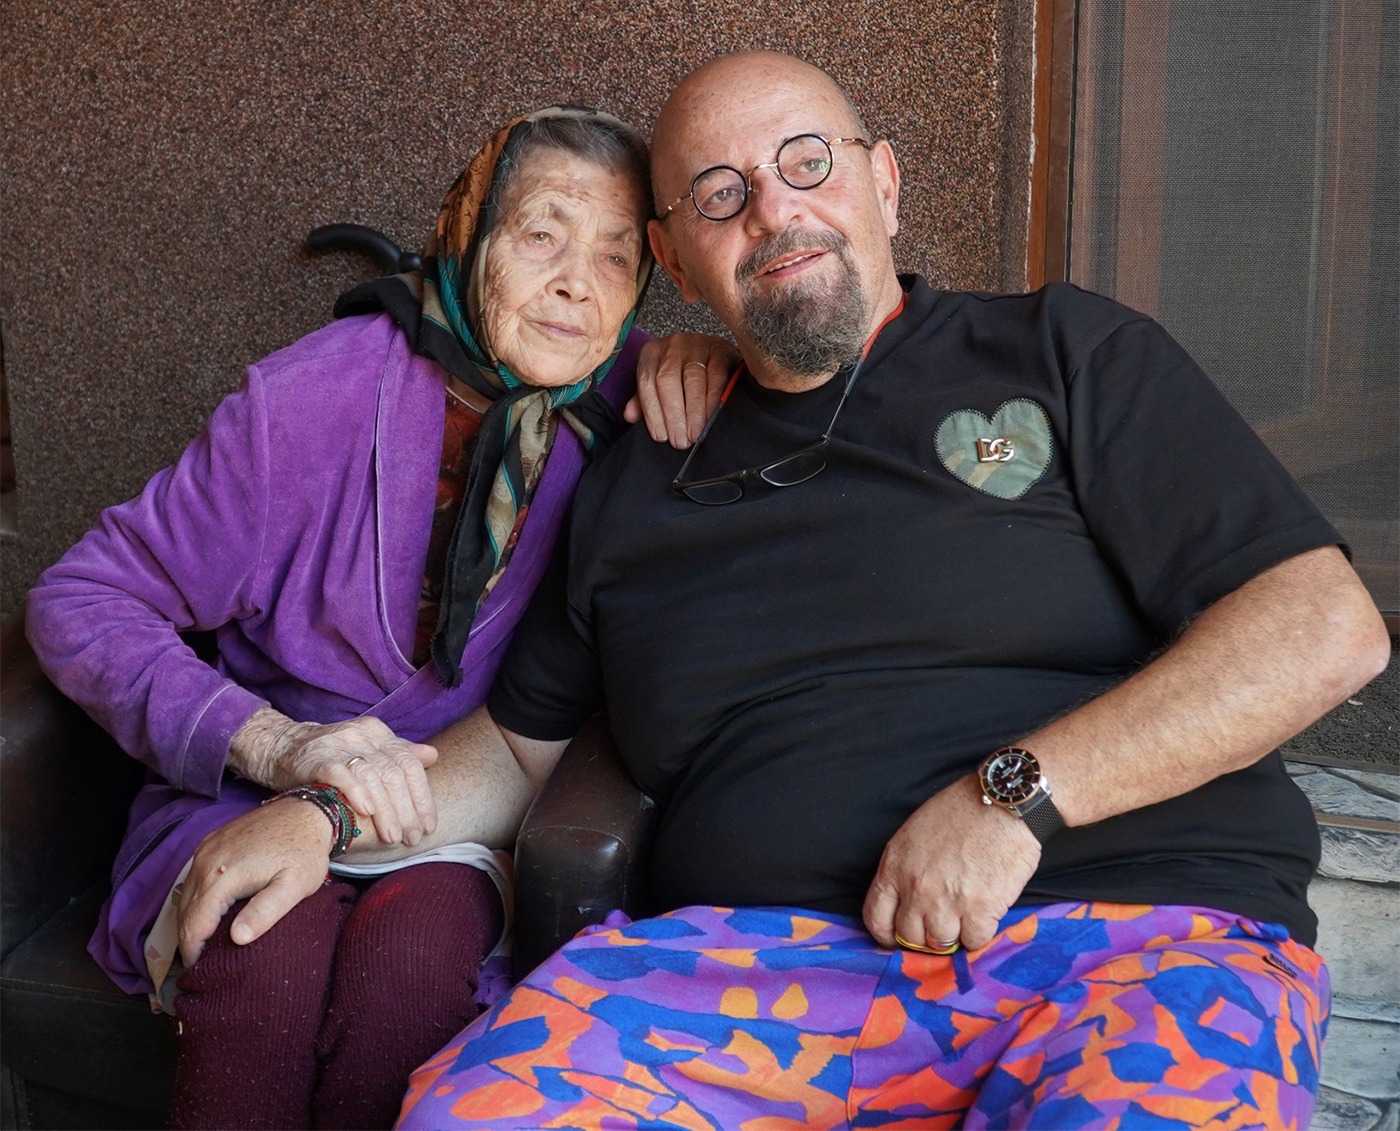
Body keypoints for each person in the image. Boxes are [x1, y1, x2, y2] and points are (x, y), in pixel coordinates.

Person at [176, 53, 1390, 1129]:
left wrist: (1012, 799)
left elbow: (1320, 628)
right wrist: (323, 813)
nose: (774, 209)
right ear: (673, 259)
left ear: (883, 182)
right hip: (741, 979)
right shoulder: (638, 471)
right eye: (719, 193)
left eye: (807, 161)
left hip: (1130, 942)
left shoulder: (1063, 355)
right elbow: (513, 746)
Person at [25, 104, 730, 1130]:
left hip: (460, 814)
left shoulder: (634, 408)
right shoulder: (308, 401)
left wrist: (704, 361)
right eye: (542, 234)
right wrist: (275, 742)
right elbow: (81, 599)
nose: (577, 283)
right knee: (262, 948)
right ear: (470, 235)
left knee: (412, 965)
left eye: (615, 257)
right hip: (248, 789)